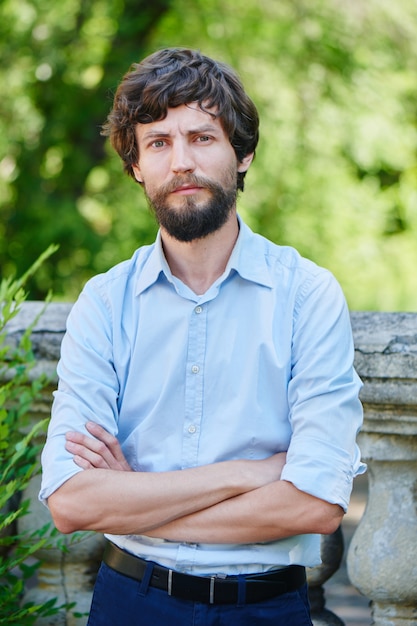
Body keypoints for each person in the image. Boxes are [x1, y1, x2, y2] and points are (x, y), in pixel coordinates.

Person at [40, 47, 365, 626]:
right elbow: (70, 500)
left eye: (202, 137)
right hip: (129, 605)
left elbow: (314, 502)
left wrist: (130, 502)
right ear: (137, 165)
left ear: (242, 155)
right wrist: (249, 474)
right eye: (159, 142)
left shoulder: (307, 295)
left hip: (266, 610)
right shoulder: (106, 303)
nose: (182, 161)